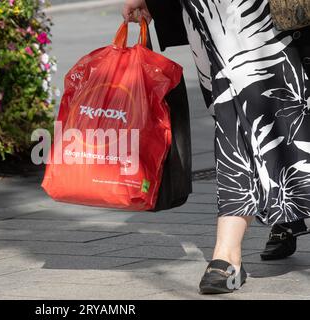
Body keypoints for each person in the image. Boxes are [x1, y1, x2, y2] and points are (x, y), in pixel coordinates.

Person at [123, 0, 310, 294]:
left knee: (265, 102)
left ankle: (230, 250)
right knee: (236, 107)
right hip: (209, 12)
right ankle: (247, 237)